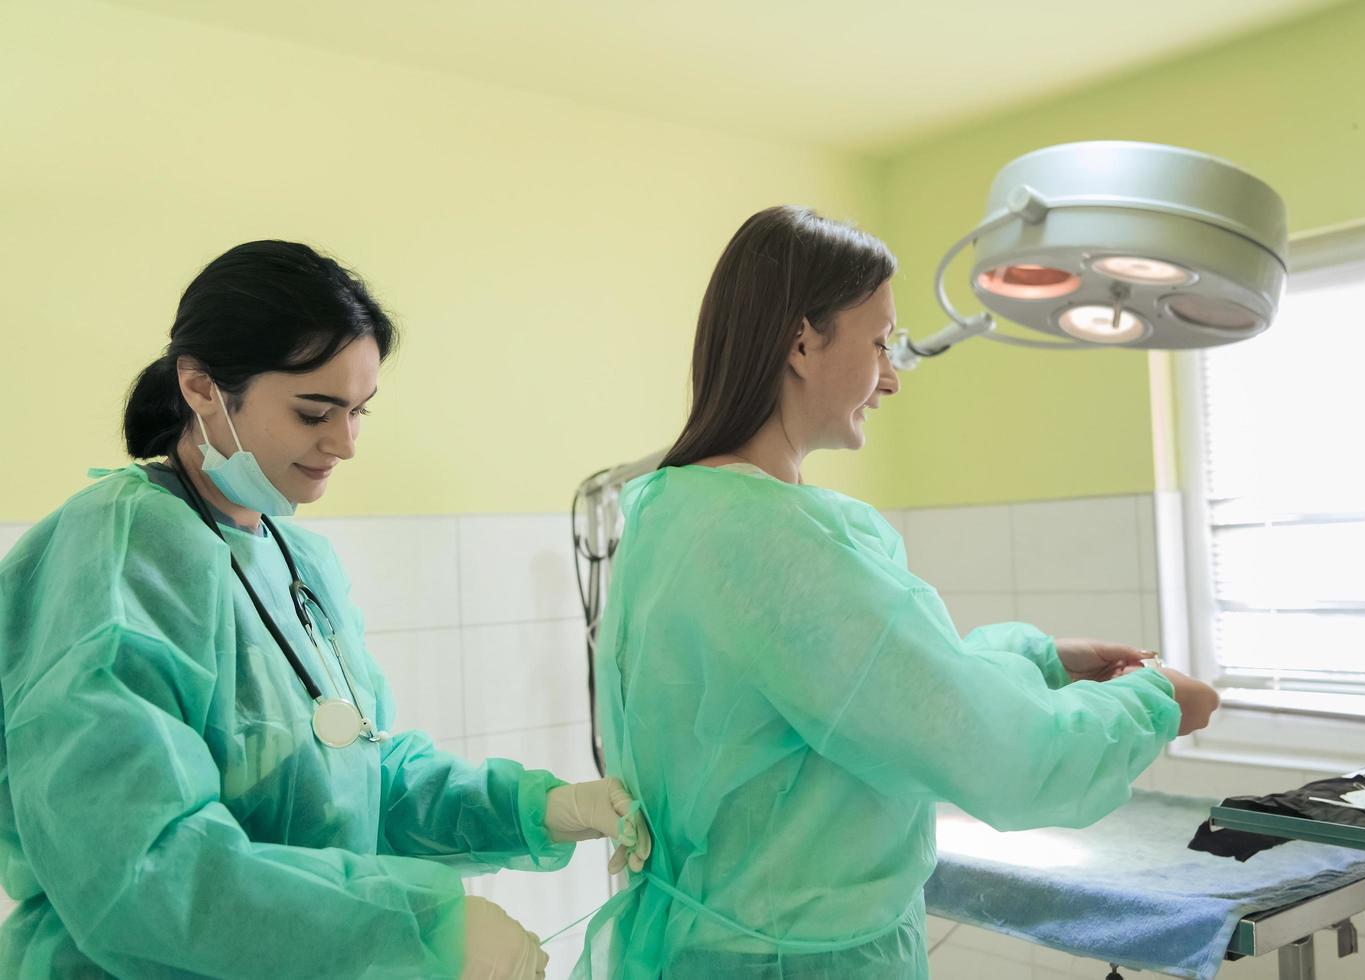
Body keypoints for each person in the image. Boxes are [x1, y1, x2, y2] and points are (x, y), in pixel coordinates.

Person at [572, 206, 1220, 978]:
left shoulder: (677, 514)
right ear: (803, 341)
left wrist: (1041, 658)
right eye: (880, 341)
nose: (891, 376)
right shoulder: (772, 541)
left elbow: (861, 697)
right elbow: (1004, 757)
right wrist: (1153, 703)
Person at [0, 241, 649, 979]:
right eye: (315, 412)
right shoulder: (122, 552)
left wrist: (548, 809)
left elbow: (369, 774)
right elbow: (139, 870)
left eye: (358, 411)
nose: (344, 443)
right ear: (202, 386)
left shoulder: (296, 562)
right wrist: (416, 925)